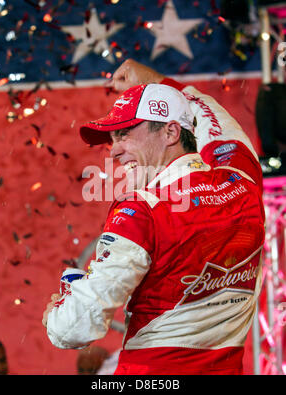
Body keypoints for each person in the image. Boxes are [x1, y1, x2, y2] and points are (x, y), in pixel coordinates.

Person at [43, 59, 265, 375]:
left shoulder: (141, 211)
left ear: (171, 131)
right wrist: (161, 83)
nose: (113, 152)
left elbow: (74, 329)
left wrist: (64, 301)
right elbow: (212, 115)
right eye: (112, 139)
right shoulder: (243, 181)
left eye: (125, 134)